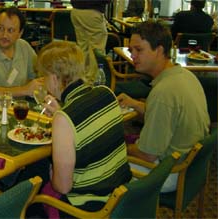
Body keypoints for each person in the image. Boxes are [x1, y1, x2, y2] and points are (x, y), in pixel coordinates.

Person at [33, 41, 132, 217]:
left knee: (32, 191)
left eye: (43, 77)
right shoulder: (106, 93)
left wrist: (52, 171)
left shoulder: (64, 119)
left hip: (90, 208)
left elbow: (63, 186)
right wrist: (62, 113)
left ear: (55, 78)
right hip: (122, 196)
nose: (42, 82)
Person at [117, 21, 210, 192]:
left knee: (103, 165)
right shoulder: (185, 75)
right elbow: (169, 116)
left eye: (139, 50)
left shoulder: (163, 92)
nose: (133, 56)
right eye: (131, 50)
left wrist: (118, 149)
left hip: (171, 172)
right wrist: (136, 104)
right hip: (192, 165)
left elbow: (147, 154)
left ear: (159, 50)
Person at [70, 0, 111, 85]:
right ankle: (93, 81)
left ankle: (82, 78)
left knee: (82, 47)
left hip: (76, 11)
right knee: (97, 49)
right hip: (92, 12)